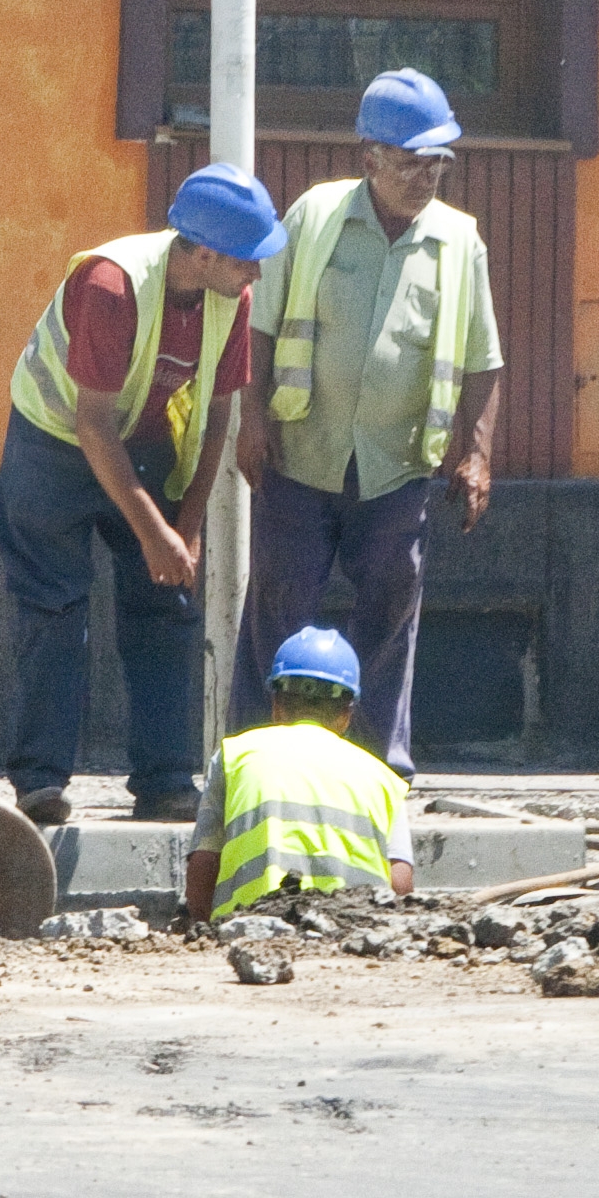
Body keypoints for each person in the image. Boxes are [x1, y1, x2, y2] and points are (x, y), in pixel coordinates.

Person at [0, 163, 288, 829]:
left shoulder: (230, 297)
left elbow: (219, 417)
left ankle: (164, 781)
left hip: (147, 444)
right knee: (53, 608)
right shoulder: (110, 284)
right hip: (54, 446)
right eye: (249, 258)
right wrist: (151, 530)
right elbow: (92, 426)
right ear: (204, 252)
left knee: (167, 607)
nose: (258, 275)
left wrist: (186, 527)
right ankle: (40, 783)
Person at [230, 67, 504, 774]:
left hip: (397, 465)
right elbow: (257, 327)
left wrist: (476, 455)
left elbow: (482, 361)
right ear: (369, 158)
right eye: (411, 161)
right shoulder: (313, 217)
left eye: (437, 161)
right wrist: (251, 418)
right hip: (299, 453)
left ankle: (377, 767)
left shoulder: (458, 243)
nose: (426, 176)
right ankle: (257, 759)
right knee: (278, 600)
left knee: (390, 602)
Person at [186, 625, 417, 922]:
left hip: (252, 924)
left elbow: (204, 862)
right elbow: (400, 883)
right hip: (355, 930)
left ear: (276, 705)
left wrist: (204, 926)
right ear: (347, 714)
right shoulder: (382, 778)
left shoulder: (235, 755)